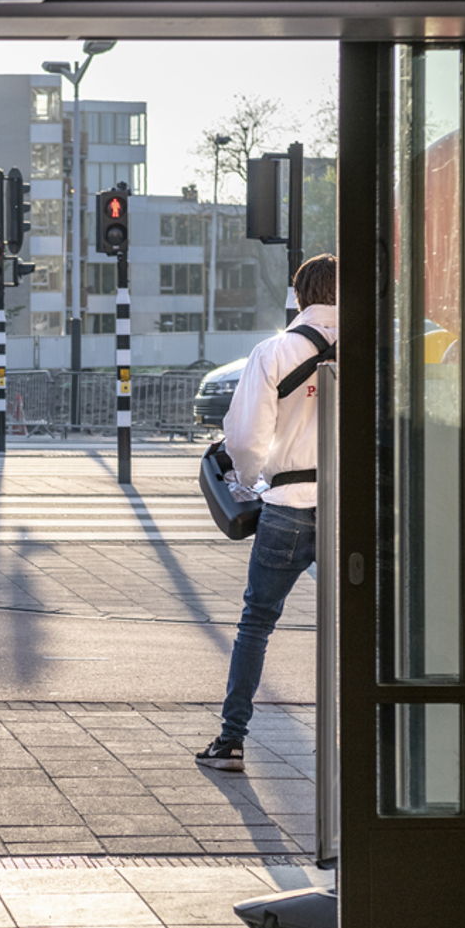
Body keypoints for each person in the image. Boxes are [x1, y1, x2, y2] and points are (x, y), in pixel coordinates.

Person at [197, 254, 338, 773]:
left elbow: (245, 437)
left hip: (286, 508)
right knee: (363, 626)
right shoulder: (370, 350)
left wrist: (252, 479)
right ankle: (375, 744)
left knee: (256, 624)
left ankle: (231, 741)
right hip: (348, 509)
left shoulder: (274, 352)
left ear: (300, 296)